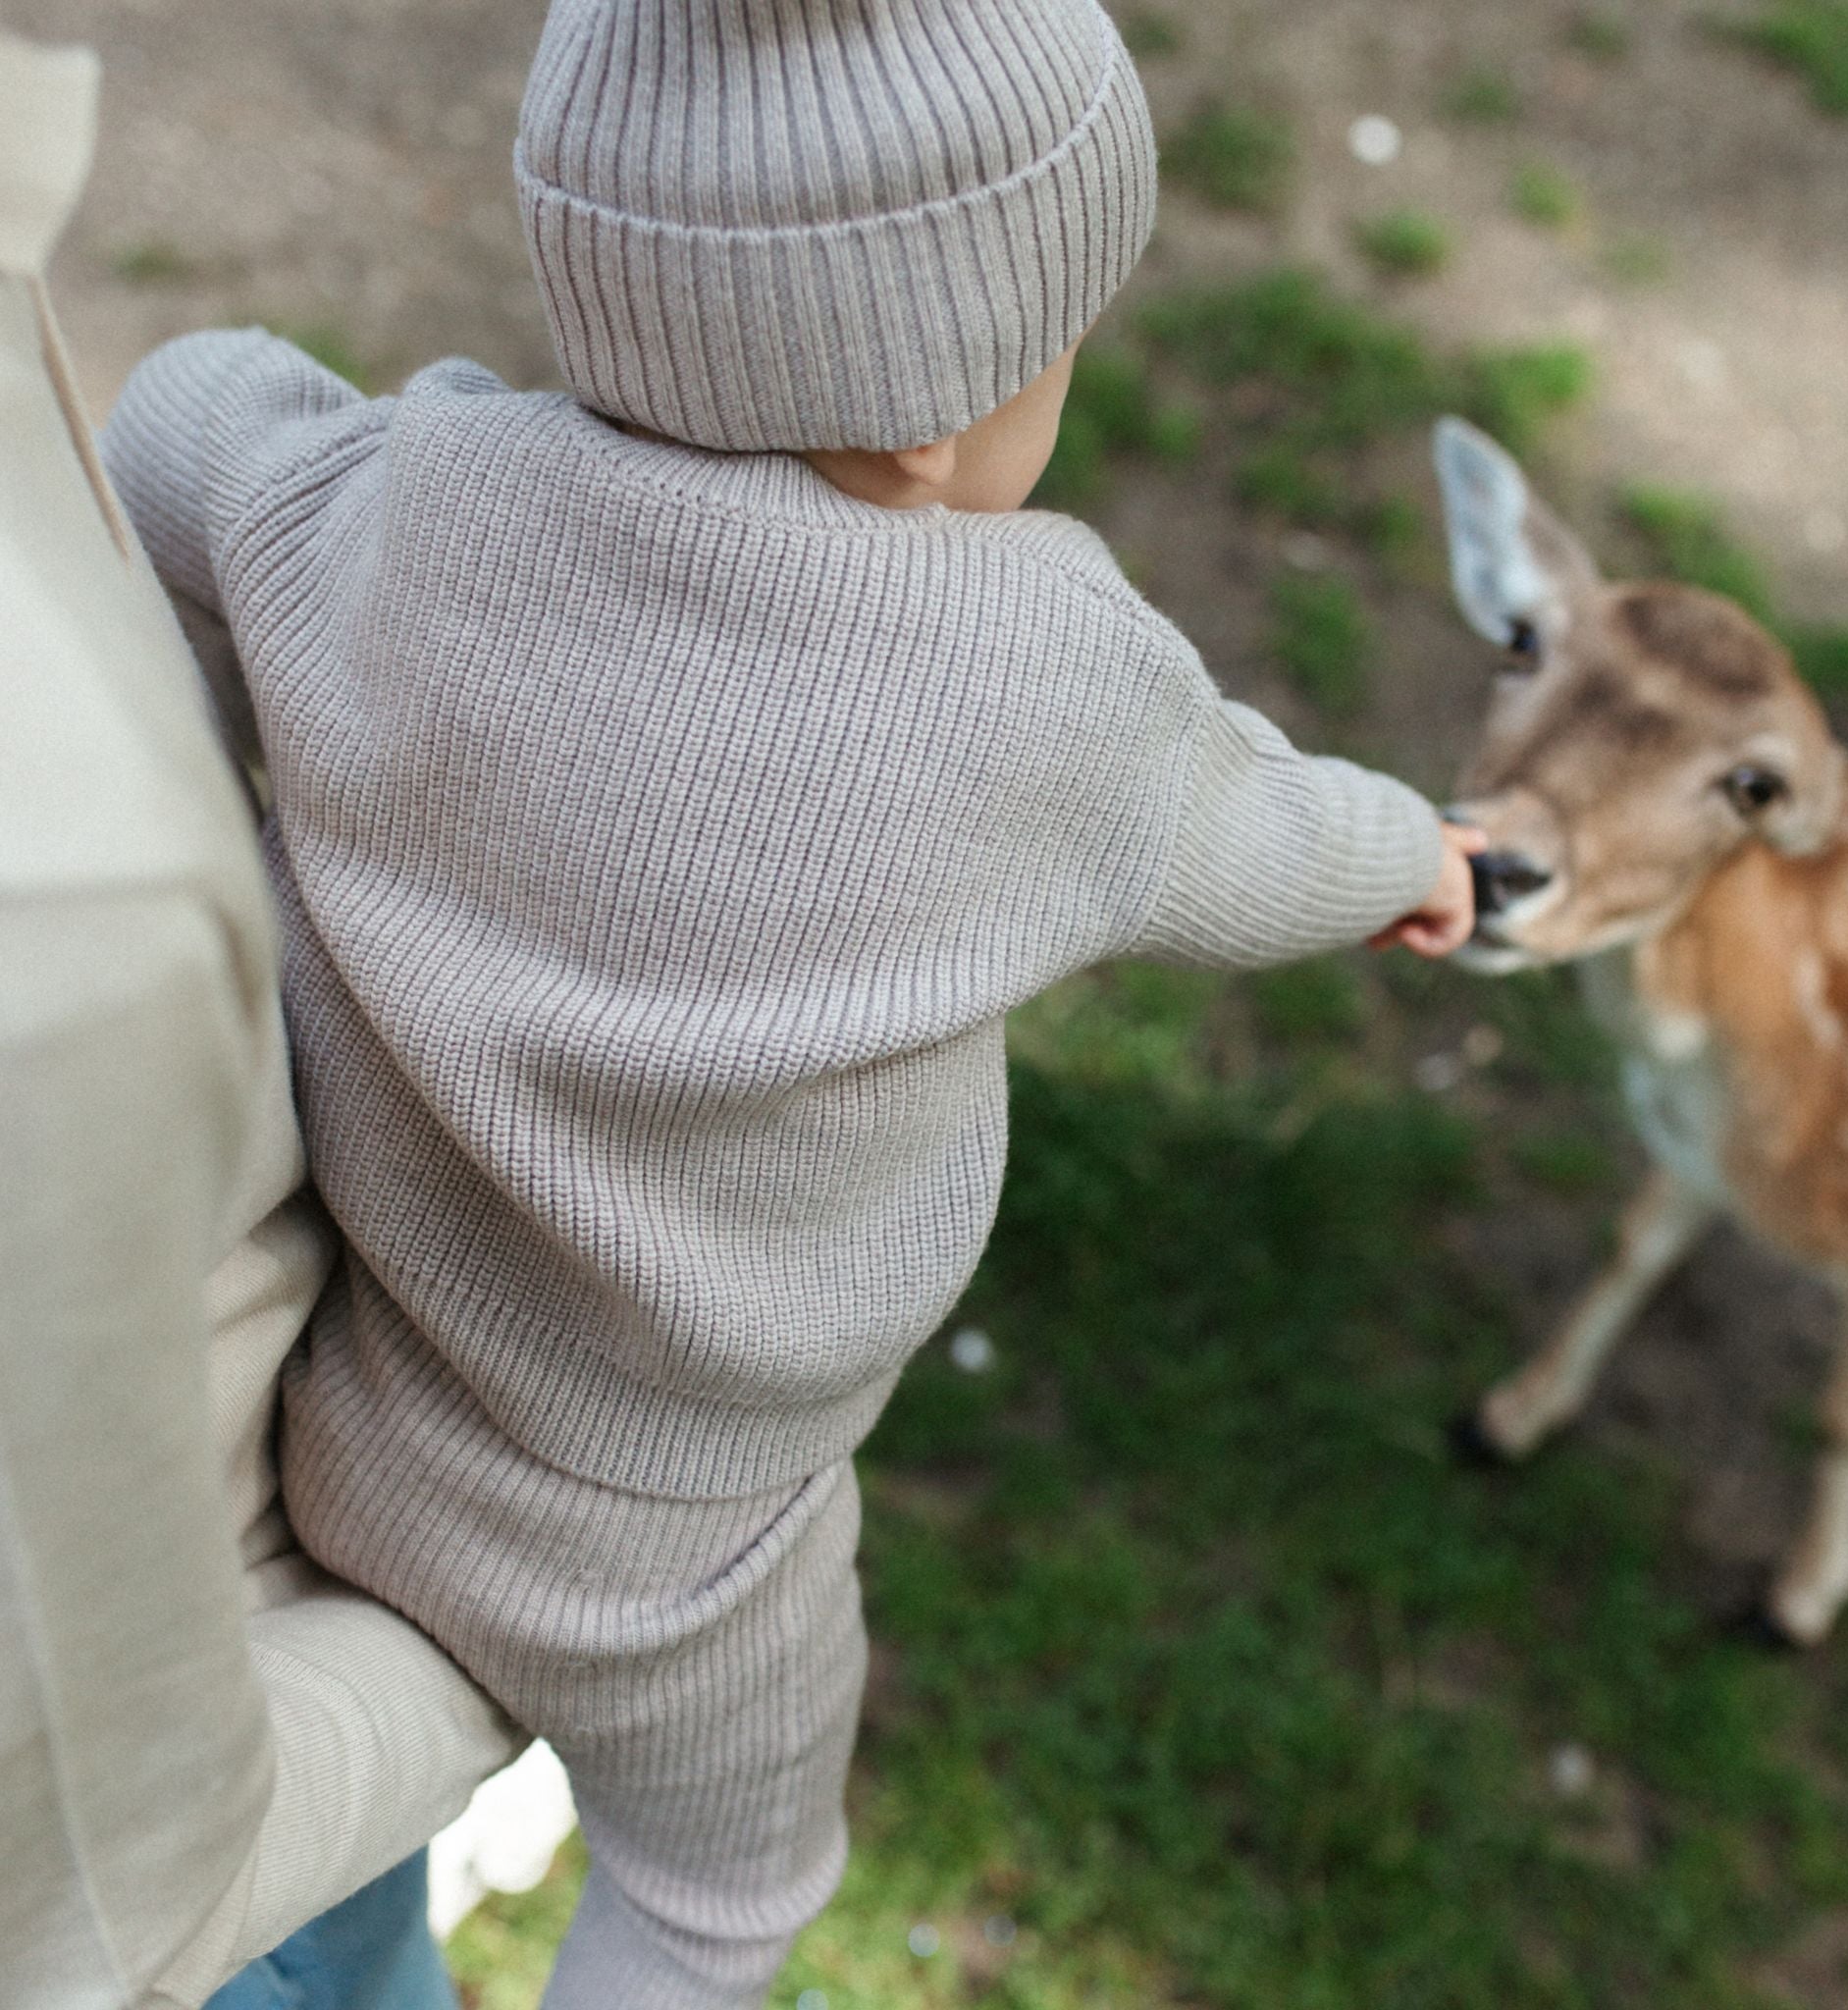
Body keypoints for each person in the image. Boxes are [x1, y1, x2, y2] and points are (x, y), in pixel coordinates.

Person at [99, 1, 1483, 2002]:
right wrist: (1413, 858)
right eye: (1055, 342)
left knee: (294, 1872)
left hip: (356, 1399)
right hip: (687, 1555)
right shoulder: (1045, 696)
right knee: (708, 1896)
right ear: (929, 416)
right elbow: (1258, 829)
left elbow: (175, 422)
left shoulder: (407, 501)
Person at [0, 28, 517, 2010]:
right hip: (240, 1783)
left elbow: (194, 425)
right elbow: (101, 1897)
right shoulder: (65, 908)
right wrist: (525, 1622)